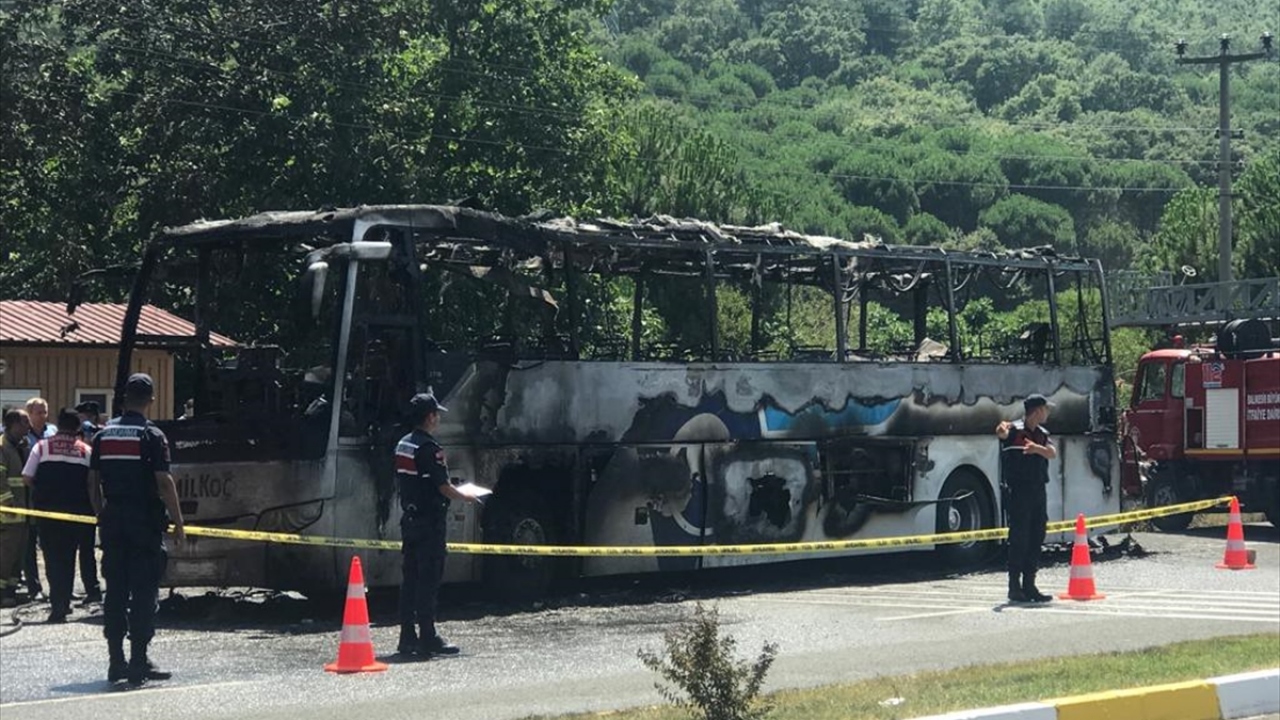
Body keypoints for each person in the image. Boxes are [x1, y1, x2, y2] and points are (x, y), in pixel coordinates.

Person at [89, 373, 186, 686]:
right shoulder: (151, 435)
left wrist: (99, 511)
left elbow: (91, 480)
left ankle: (115, 661)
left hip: (113, 520)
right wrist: (179, 521)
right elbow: (164, 481)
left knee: (115, 590)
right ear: (151, 400)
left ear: (123, 399)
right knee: (144, 591)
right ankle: (138, 661)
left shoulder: (103, 436)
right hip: (143, 521)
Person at [395, 392, 477, 658]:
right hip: (430, 522)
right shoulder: (430, 449)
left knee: (410, 579)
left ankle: (407, 636)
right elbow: (443, 487)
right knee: (428, 579)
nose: (438, 418)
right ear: (430, 416)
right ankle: (428, 637)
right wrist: (466, 496)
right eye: (436, 414)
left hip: (409, 519)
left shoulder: (403, 445)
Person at [22, 409, 95, 623]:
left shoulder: (41, 447)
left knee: (52, 558)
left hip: (47, 512)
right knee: (69, 556)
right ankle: (65, 601)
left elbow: (26, 477)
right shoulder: (85, 450)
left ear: (58, 424)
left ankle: (58, 604)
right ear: (77, 428)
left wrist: (42, 489)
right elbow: (91, 484)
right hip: (76, 514)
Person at [996, 394, 1058, 604]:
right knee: (1019, 538)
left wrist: (1036, 449)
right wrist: (1002, 429)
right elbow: (1002, 434)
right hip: (1019, 491)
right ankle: (1014, 586)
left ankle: (1030, 585)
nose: (1047, 413)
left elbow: (1052, 453)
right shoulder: (1015, 429)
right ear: (1037, 410)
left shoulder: (1042, 434)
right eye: (1046, 409)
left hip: (1038, 490)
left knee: (1036, 536)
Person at [73, 402, 105, 602]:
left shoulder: (102, 435)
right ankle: (91, 588)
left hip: (102, 494)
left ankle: (97, 589)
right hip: (82, 499)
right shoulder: (77, 439)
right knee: (84, 548)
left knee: (103, 546)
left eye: (84, 416)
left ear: (93, 416)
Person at [0, 409, 32, 607]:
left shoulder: (22, 446)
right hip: (8, 513)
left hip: (24, 511)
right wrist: (6, 503)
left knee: (19, 554)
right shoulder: (2, 447)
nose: (28, 426)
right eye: (25, 422)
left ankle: (11, 591)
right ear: (13, 424)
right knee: (5, 554)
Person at [23, 398, 52, 601]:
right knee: (28, 544)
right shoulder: (22, 438)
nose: (42, 416)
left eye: (45, 412)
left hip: (51, 496)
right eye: (38, 412)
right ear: (29, 414)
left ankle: (56, 586)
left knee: (51, 544)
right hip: (27, 497)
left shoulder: (53, 433)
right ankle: (34, 586)